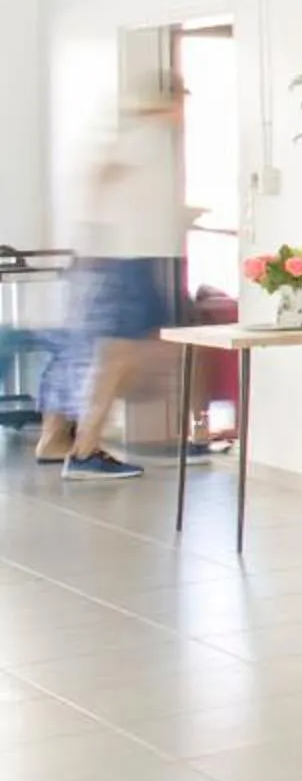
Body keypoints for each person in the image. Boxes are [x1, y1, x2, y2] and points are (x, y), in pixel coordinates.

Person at [33, 79, 193, 481]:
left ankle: (94, 442)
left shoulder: (148, 138)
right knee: (118, 357)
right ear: (170, 101)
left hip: (134, 258)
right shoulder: (145, 135)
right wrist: (96, 239)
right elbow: (101, 177)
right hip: (125, 260)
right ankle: (85, 449)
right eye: (181, 103)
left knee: (135, 354)